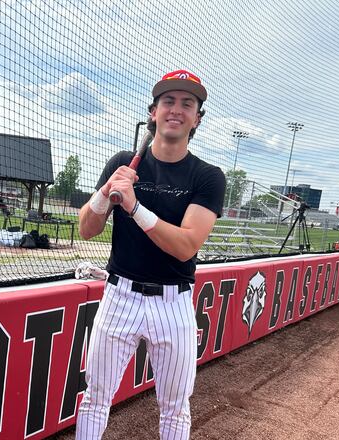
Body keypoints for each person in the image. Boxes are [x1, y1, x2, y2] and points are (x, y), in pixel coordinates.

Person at [76, 69, 225, 439]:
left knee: (174, 409)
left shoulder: (207, 176)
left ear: (197, 119)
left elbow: (186, 245)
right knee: (95, 398)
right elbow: (86, 228)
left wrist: (134, 207)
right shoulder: (125, 163)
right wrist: (106, 191)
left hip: (172, 302)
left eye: (187, 104)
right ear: (153, 112)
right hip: (120, 295)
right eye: (168, 101)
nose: (176, 109)